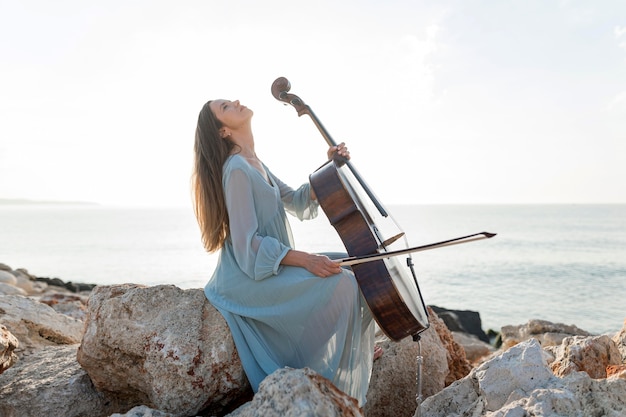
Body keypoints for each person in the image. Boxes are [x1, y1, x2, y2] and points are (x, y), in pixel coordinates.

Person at [192, 98, 379, 405]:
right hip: (246, 276)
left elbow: (297, 200)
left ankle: (349, 347)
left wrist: (330, 168)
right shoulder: (236, 170)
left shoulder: (255, 163)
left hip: (270, 264)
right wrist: (306, 260)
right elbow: (248, 247)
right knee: (342, 282)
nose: (236, 102)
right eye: (226, 107)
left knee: (359, 265)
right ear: (224, 131)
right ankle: (312, 366)